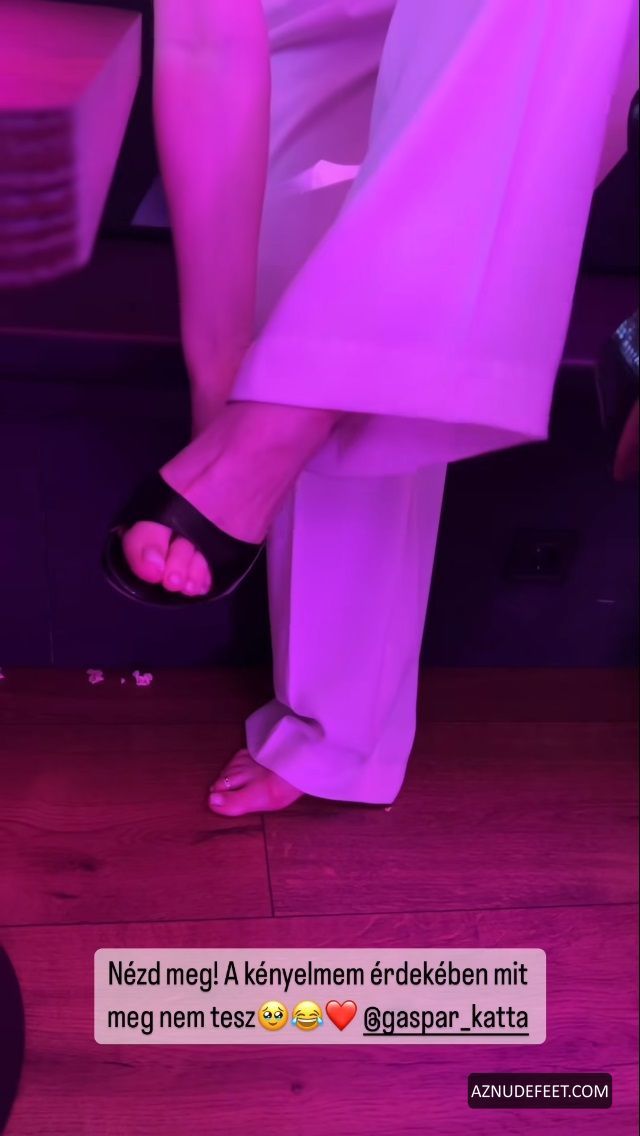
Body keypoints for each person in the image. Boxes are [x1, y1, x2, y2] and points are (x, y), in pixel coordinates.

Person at [105, 0, 636, 815]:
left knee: (355, 285)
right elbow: (209, 41)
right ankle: (281, 428)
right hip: (315, 25)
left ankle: (284, 421)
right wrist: (218, 377)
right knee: (315, 273)